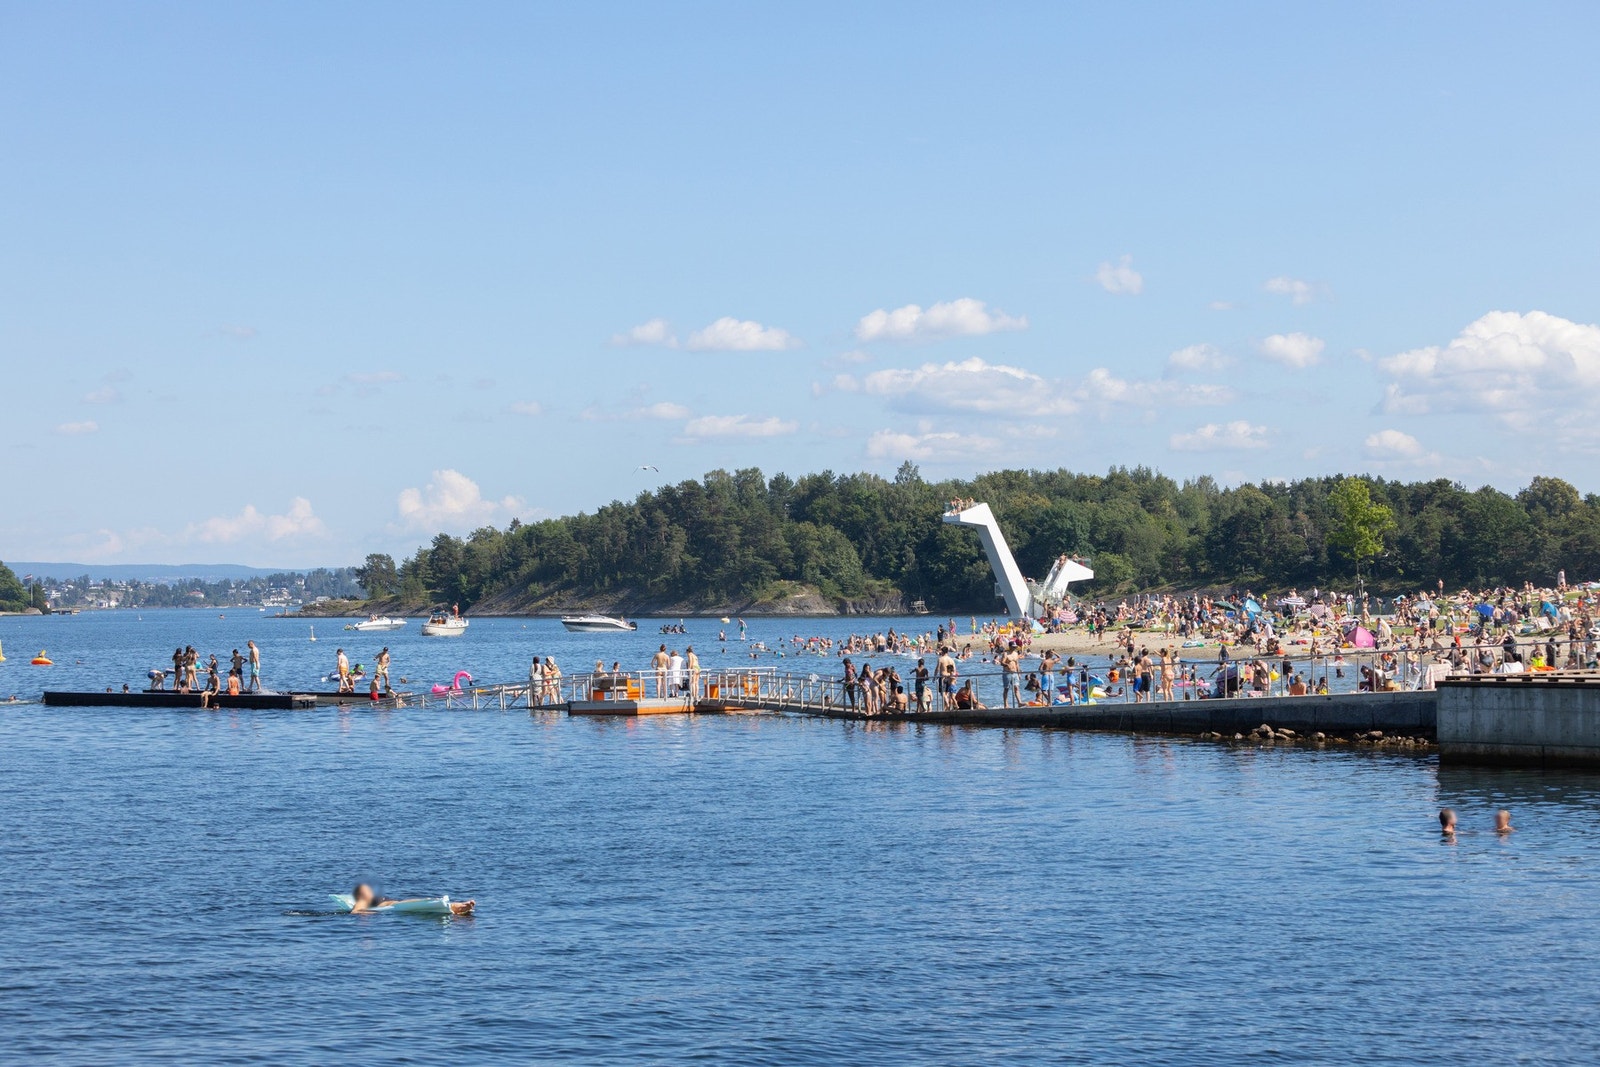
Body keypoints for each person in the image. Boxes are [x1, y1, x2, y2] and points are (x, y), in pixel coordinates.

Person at [348, 882, 475, 917]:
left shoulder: (372, 897)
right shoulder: (362, 900)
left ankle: (460, 907)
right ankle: (460, 908)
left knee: (422, 901)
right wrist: (372, 913)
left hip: (397, 903)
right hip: (394, 906)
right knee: (421, 902)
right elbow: (355, 912)